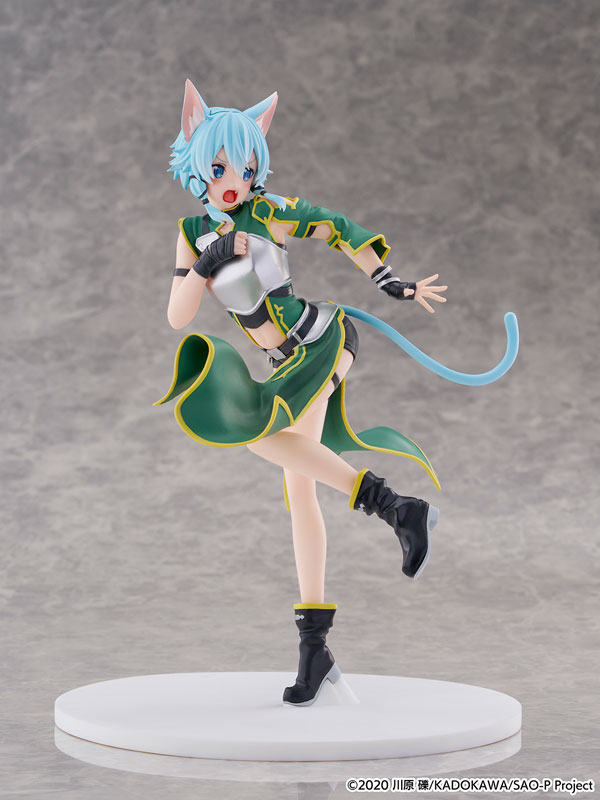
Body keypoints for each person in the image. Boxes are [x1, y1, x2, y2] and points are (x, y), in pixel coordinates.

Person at [155, 80, 447, 706]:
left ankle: (396, 507)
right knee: (300, 490)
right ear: (196, 156)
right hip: (285, 364)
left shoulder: (270, 211)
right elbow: (178, 315)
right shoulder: (191, 231)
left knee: (260, 439)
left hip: (322, 340)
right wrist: (207, 261)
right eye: (220, 167)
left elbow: (336, 227)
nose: (234, 181)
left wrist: (388, 280)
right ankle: (316, 649)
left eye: (245, 168)